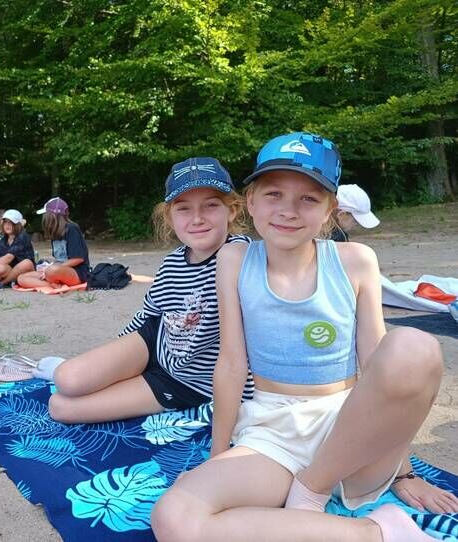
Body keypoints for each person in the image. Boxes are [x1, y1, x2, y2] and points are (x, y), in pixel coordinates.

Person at [152, 133, 458, 542]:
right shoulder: (235, 259)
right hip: (272, 433)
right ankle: (378, 532)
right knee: (174, 516)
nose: (288, 210)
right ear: (251, 202)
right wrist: (218, 456)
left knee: (415, 347)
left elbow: (380, 375)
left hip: (350, 429)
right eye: (274, 194)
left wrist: (403, 471)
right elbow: (231, 364)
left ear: (331, 209)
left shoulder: (355, 261)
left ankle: (312, 489)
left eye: (308, 199)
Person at [47, 158, 253, 424]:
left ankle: (128, 381)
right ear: (169, 217)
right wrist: (118, 355)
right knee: (66, 378)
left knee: (60, 407)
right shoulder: (172, 262)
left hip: (187, 382)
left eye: (211, 205)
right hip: (155, 340)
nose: (197, 218)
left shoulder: (243, 257)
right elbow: (148, 314)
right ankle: (96, 372)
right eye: (184, 208)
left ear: (232, 211)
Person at [16, 197, 90, 289]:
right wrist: (47, 267)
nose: (44, 217)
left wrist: (51, 269)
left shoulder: (72, 229)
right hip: (57, 270)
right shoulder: (55, 232)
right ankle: (55, 285)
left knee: (51, 270)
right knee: (21, 278)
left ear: (52, 216)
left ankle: (54, 282)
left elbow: (78, 259)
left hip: (77, 273)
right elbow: (58, 260)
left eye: (45, 214)